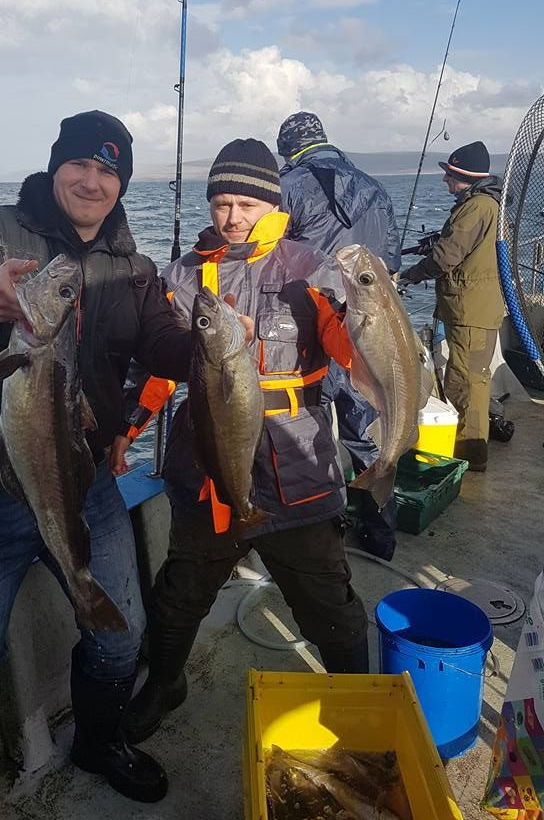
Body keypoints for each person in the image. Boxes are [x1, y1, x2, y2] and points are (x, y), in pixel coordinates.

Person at [0, 111, 193, 818]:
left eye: (108, 170)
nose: (92, 181)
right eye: (80, 165)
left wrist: (219, 348)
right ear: (56, 166)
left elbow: (162, 344)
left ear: (122, 183)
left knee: (119, 635)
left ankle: (98, 742)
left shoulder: (133, 267)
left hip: (82, 482)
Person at [117, 139, 369, 746]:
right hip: (207, 463)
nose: (232, 217)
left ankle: (358, 699)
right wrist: (126, 430)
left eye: (247, 204)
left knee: (327, 599)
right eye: (222, 203)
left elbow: (353, 355)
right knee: (180, 591)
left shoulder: (311, 266)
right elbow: (157, 369)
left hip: (297, 467)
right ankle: (166, 682)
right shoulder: (180, 276)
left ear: (273, 205)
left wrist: (359, 311)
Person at [276, 111, 401, 560]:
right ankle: (381, 532)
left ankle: (318, 529)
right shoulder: (376, 188)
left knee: (308, 428)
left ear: (288, 149)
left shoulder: (288, 186)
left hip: (310, 326)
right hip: (365, 335)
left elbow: (269, 258)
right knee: (365, 428)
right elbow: (390, 266)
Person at [399, 141, 505, 472]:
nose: (446, 180)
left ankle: (470, 456)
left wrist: (410, 275)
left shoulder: (476, 207)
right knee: (470, 379)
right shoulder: (483, 204)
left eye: (451, 175)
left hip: (469, 311)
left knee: (467, 383)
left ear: (466, 177)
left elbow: (447, 257)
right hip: (473, 308)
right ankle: (468, 448)